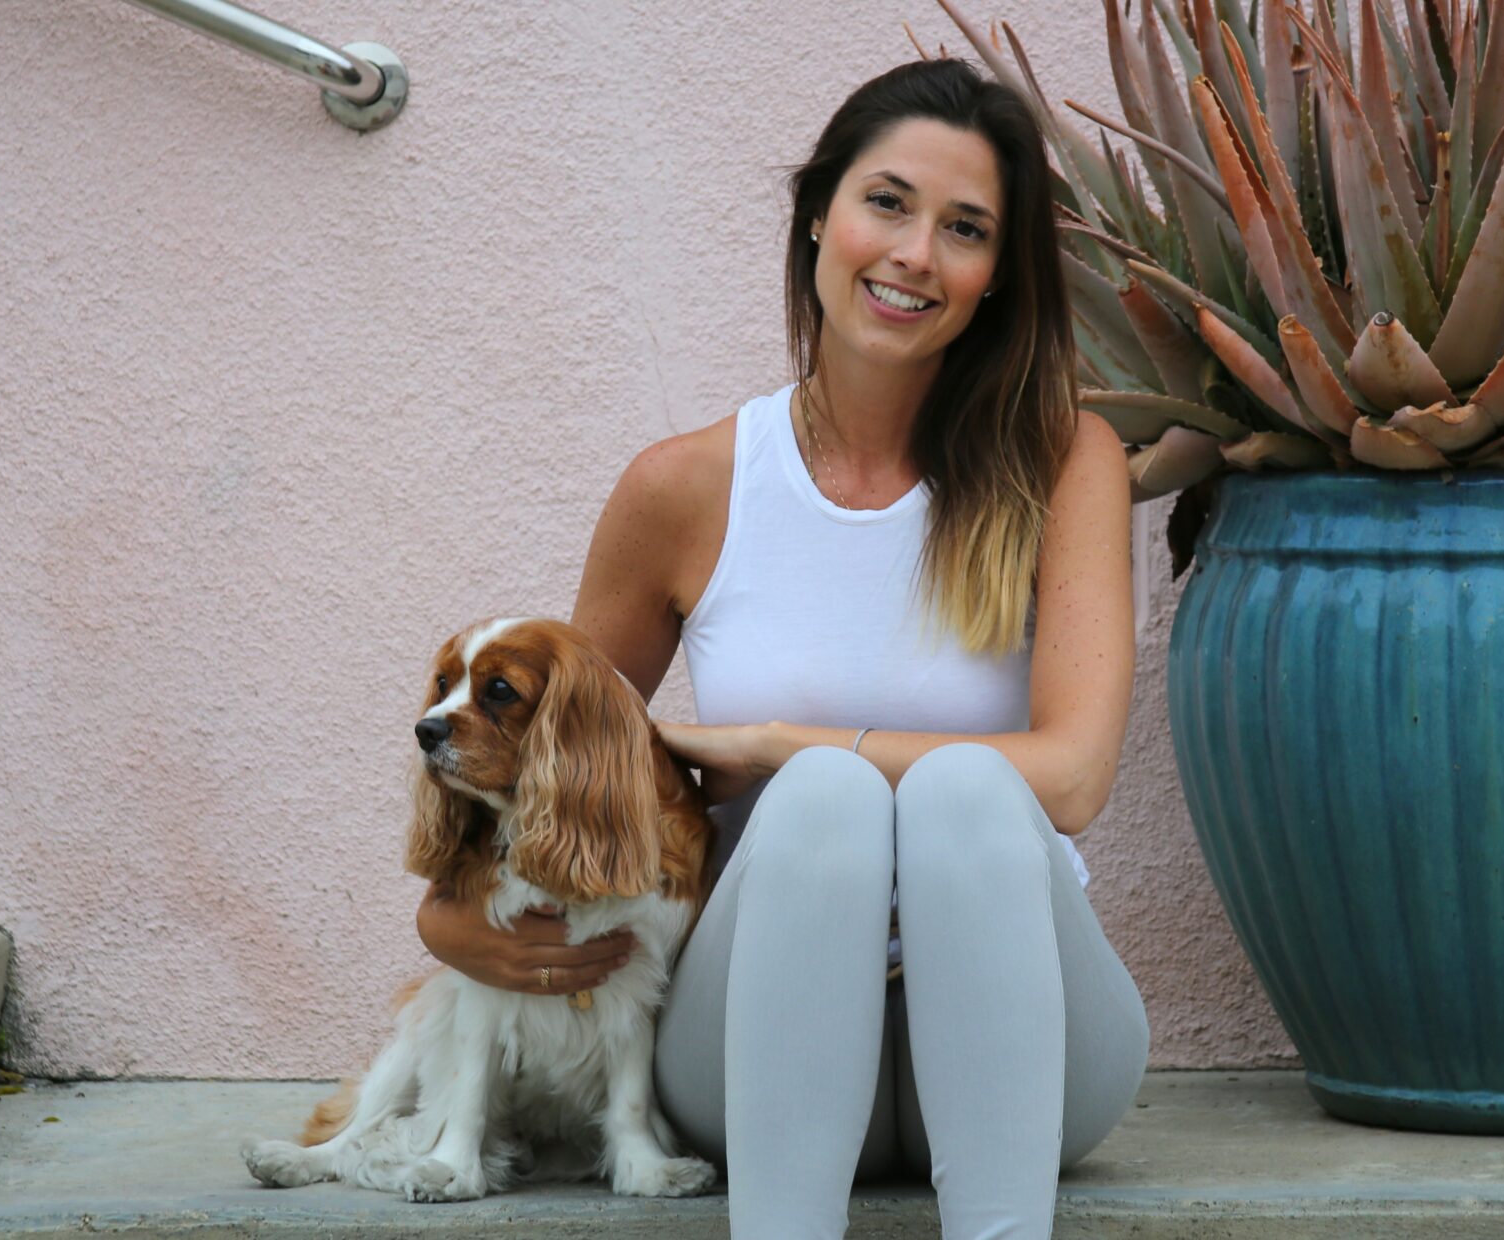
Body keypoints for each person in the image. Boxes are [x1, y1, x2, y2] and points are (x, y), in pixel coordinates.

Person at [415, 57, 1148, 1238]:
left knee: (958, 784)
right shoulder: (686, 488)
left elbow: (1069, 780)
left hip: (1036, 1048)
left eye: (966, 229)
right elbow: (552, 756)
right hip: (760, 1051)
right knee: (821, 804)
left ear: (997, 278)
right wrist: (446, 917)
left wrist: (775, 740)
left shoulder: (1066, 462)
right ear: (820, 215)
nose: (916, 253)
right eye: (889, 202)